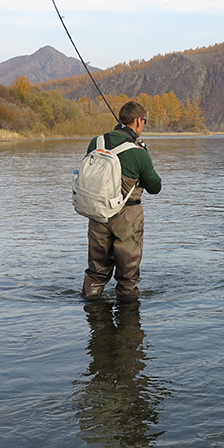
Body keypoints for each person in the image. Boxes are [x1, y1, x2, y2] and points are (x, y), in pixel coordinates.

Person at [82, 100, 163, 304]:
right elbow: (155, 187)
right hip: (127, 217)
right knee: (127, 277)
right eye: (144, 121)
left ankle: (94, 318)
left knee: (96, 272)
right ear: (138, 121)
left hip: (97, 213)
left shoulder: (96, 142)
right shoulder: (138, 152)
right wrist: (144, 155)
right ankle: (128, 329)